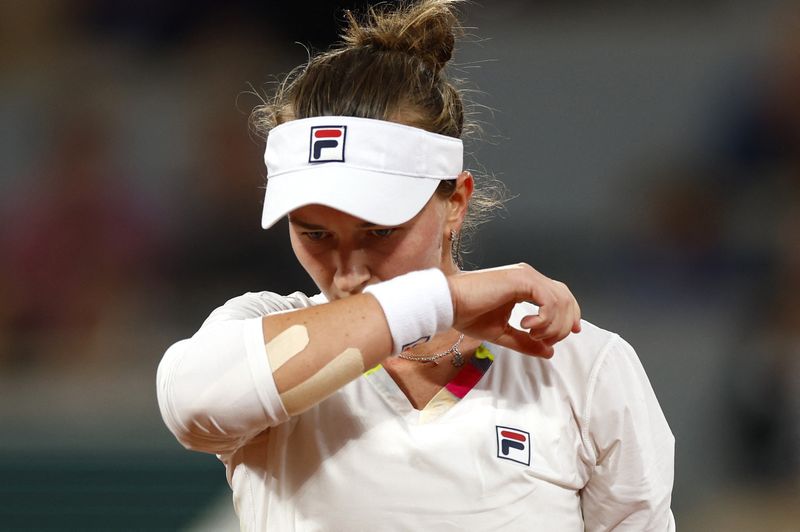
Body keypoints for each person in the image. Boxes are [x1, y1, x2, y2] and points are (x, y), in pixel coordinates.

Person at [156, 1, 675, 529]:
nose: (348, 272)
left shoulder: (583, 367)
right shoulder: (261, 329)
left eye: (379, 232)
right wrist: (440, 302)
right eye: (314, 234)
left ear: (456, 202)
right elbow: (191, 406)